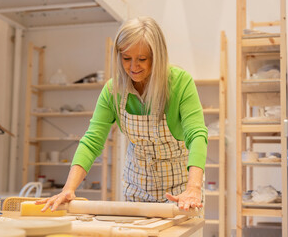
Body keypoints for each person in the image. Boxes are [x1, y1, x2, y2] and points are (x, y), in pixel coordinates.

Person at [37, 16, 208, 212]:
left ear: (157, 56)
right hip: (136, 189)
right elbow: (92, 140)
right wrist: (68, 188)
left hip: (181, 191)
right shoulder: (113, 91)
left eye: (142, 59)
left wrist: (193, 188)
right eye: (126, 58)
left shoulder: (179, 83)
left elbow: (196, 135)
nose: (133, 67)